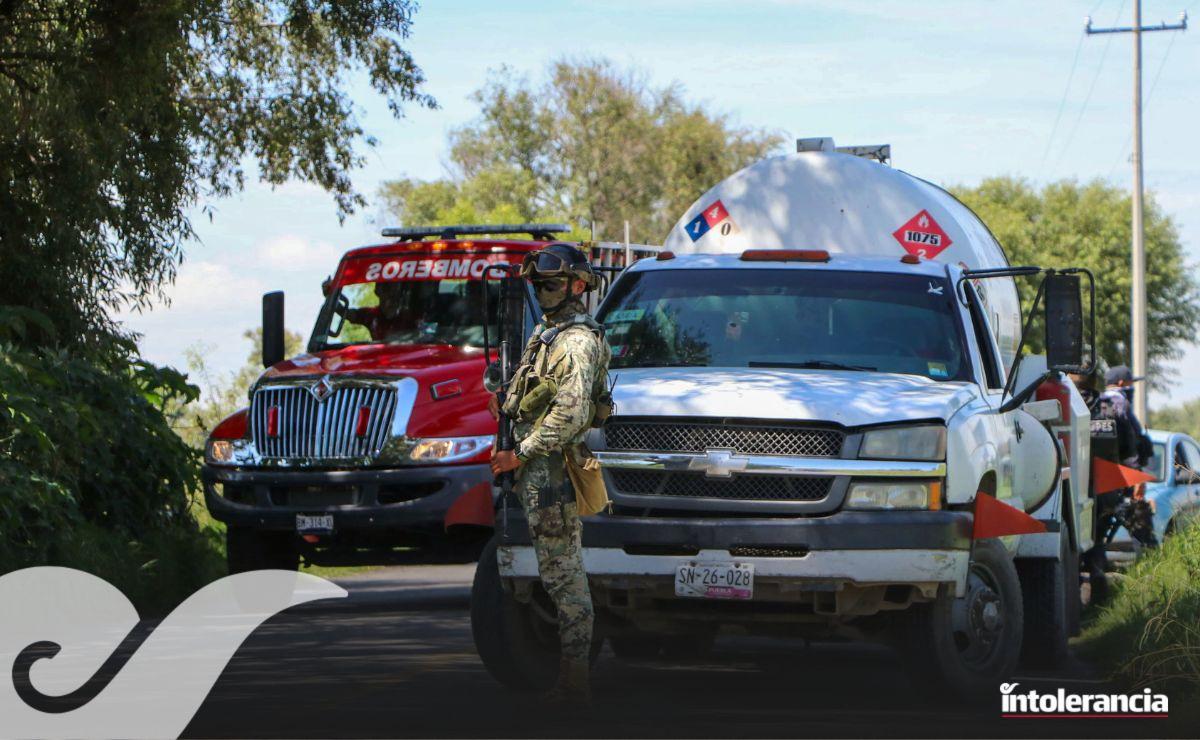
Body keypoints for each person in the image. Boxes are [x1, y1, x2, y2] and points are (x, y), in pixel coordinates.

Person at [488, 244, 611, 703]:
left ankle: (574, 679)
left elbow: (572, 413)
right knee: (555, 570)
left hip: (551, 471)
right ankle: (571, 678)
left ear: (578, 285)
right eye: (538, 284)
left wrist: (519, 453)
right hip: (537, 473)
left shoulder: (576, 342)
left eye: (552, 284)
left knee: (564, 576)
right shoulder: (550, 334)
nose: (543, 292)